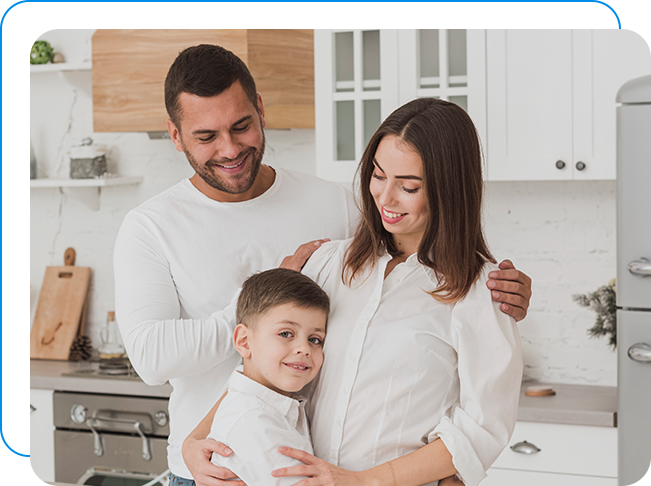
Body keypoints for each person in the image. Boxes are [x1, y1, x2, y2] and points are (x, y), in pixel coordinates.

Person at [113, 43, 532, 486]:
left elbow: (478, 430)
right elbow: (260, 368)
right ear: (175, 135)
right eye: (378, 176)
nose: (384, 198)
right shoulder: (329, 260)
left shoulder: (467, 284)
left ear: (260, 110)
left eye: (407, 185)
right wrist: (194, 440)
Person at [206, 268, 329, 485]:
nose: (304, 348)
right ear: (244, 341)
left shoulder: (274, 410)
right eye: (285, 334)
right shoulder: (254, 419)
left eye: (315, 339)